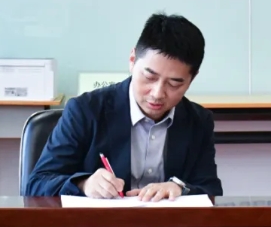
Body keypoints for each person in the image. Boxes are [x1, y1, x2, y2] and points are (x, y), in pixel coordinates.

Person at [25, 13, 223, 201]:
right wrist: (83, 184)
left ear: (192, 79)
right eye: (150, 77)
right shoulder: (85, 110)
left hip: (166, 224)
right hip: (102, 224)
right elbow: (36, 184)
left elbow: (211, 190)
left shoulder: (198, 121)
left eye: (174, 84)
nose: (157, 93)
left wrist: (181, 189)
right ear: (132, 60)